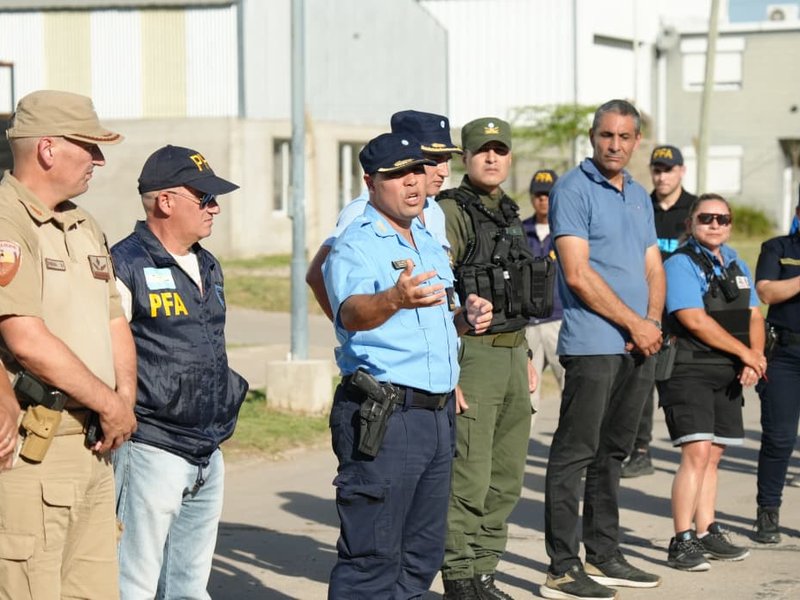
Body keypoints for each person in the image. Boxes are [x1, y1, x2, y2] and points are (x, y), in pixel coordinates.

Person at [323, 132, 493, 598]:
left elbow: (433, 321)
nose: (412, 182)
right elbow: (352, 312)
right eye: (396, 174)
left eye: (416, 170)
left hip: (436, 416)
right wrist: (394, 298)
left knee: (421, 554)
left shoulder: (424, 238)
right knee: (373, 557)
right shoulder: (357, 242)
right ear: (370, 183)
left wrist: (465, 318)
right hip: (387, 413)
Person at [0, 89, 137, 599]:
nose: (99, 159)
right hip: (38, 448)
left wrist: (123, 400)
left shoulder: (83, 224)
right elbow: (25, 339)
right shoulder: (8, 220)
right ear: (48, 149)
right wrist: (112, 404)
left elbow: (113, 320)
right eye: (89, 146)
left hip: (94, 444)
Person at [111, 145, 249, 599]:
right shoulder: (125, 264)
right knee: (134, 581)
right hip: (153, 447)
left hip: (207, 448)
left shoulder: (207, 263)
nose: (216, 207)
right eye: (204, 197)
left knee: (189, 586)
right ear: (165, 201)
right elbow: (108, 352)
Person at [541, 99, 664, 600]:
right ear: (593, 137)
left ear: (637, 142)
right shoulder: (573, 188)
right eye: (606, 135)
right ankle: (562, 567)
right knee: (575, 453)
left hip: (640, 343)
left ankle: (605, 552)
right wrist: (636, 322)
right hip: (594, 343)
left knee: (614, 451)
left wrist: (652, 323)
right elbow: (577, 272)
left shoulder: (637, 194)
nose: (615, 145)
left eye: (624, 137)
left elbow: (652, 265)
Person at [438, 117, 540, 600]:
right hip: (473, 355)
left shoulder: (510, 211)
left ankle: (484, 569)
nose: (492, 158)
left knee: (506, 475)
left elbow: (518, 288)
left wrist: (526, 353)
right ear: (465, 157)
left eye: (500, 150)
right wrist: (447, 368)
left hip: (513, 351)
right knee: (470, 474)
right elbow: (438, 293)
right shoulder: (450, 212)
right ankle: (458, 575)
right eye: (482, 151)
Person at [656, 194, 764, 570]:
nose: (715, 224)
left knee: (714, 455)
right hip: (689, 369)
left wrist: (755, 357)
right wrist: (746, 354)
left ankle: (706, 531)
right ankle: (681, 539)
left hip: (728, 370)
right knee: (697, 452)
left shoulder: (736, 260)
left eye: (722, 218)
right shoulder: (681, 263)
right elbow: (692, 318)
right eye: (706, 218)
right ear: (691, 224)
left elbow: (753, 315)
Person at [307, 109, 461, 320]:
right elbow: (317, 275)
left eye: (446, 159)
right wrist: (350, 333)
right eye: (433, 159)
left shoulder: (433, 209)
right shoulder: (363, 211)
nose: (444, 171)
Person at [622, 144, 696, 478]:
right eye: (657, 169)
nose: (662, 175)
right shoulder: (640, 205)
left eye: (668, 169)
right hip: (646, 310)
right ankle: (639, 450)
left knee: (680, 386)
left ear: (681, 171)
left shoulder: (695, 209)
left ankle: (693, 448)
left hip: (683, 313)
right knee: (640, 385)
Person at [752, 197, 800, 544]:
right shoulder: (778, 248)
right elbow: (766, 291)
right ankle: (768, 510)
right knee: (779, 438)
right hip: (786, 354)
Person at [522, 169, 565, 418]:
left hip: (559, 320)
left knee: (571, 389)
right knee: (528, 393)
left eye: (548, 195)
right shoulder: (520, 230)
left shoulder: (567, 231)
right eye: (538, 194)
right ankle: (520, 454)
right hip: (529, 323)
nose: (543, 200)